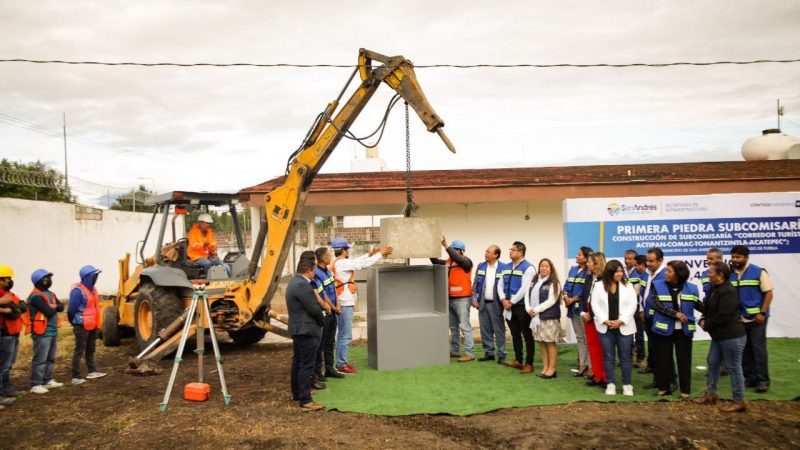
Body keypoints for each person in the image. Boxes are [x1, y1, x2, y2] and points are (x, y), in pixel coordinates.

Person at [331, 237, 392, 374]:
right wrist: (380, 253)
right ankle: (341, 364)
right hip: (345, 303)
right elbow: (362, 265)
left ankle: (341, 362)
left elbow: (356, 262)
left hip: (342, 302)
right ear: (344, 251)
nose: (348, 251)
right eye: (347, 249)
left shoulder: (337, 262)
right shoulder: (342, 263)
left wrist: (370, 255)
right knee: (345, 336)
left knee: (342, 335)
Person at [695, 261, 748, 412]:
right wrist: (703, 319)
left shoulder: (728, 291)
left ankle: (739, 400)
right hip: (719, 336)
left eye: (710, 272)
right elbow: (708, 308)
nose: (708, 274)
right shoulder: (715, 288)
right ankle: (711, 394)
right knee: (712, 362)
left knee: (733, 367)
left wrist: (708, 324)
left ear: (720, 275)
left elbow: (724, 315)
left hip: (732, 336)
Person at [650, 260, 698, 399]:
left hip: (684, 331)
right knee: (663, 360)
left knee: (684, 361)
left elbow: (698, 305)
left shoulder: (692, 288)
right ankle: (664, 388)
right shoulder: (657, 285)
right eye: (666, 270)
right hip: (663, 329)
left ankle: (685, 391)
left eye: (669, 271)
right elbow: (656, 304)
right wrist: (675, 314)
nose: (666, 273)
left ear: (678, 274)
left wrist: (707, 316)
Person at [729, 245, 773, 393]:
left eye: (738, 257)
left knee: (758, 349)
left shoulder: (758, 272)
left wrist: (762, 313)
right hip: (739, 319)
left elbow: (768, 294)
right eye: (733, 256)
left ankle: (763, 381)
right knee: (744, 349)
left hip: (757, 319)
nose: (735, 260)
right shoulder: (731, 274)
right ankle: (750, 378)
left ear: (746, 258)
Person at [592, 260, 638, 396]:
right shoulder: (599, 286)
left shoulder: (628, 285)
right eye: (617, 271)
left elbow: (633, 304)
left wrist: (621, 321)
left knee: (625, 358)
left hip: (624, 327)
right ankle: (610, 384)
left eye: (621, 271)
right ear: (610, 272)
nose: (620, 274)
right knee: (608, 357)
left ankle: (627, 385)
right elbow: (595, 305)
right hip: (605, 327)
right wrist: (605, 320)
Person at [287, 258, 326, 410]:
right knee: (306, 365)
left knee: (298, 362)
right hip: (306, 330)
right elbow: (314, 308)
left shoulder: (293, 282)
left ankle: (297, 393)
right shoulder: (303, 285)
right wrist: (322, 321)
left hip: (298, 329)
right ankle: (305, 399)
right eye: (314, 271)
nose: (314, 274)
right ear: (309, 271)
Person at [432, 237, 475, 362]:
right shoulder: (448, 262)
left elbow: (458, 259)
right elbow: (435, 261)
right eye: (453, 250)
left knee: (465, 326)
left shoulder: (466, 262)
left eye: (456, 250)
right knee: (454, 327)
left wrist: (446, 246)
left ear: (461, 251)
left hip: (463, 299)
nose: (453, 252)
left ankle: (470, 353)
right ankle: (455, 350)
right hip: (450, 299)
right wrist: (432, 247)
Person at [497, 241, 536, 373]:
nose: (510, 252)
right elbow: (500, 285)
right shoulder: (506, 267)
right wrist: (503, 299)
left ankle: (529, 363)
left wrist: (512, 302)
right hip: (508, 306)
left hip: (521, 307)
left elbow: (524, 289)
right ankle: (518, 361)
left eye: (512, 250)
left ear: (520, 252)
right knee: (515, 334)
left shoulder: (528, 268)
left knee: (527, 334)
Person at [67, 265, 107, 385]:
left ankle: (92, 371)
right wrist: (74, 322)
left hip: (92, 325)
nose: (96, 278)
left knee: (90, 349)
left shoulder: (93, 289)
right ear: (87, 277)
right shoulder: (77, 291)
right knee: (79, 350)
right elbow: (71, 310)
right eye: (94, 276)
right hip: (81, 326)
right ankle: (75, 376)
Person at [27, 269, 65, 394]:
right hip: (41, 332)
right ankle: (36, 383)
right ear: (39, 281)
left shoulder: (50, 294)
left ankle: (47, 380)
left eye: (49, 278)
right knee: (40, 358)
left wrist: (54, 306)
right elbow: (49, 311)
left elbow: (61, 307)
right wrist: (54, 307)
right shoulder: (36, 296)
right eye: (46, 278)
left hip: (51, 331)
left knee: (50, 358)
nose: (49, 280)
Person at [525, 258, 562, 378]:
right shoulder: (535, 281)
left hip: (549, 318)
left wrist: (536, 310)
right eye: (542, 266)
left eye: (546, 266)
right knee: (541, 342)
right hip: (536, 318)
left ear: (551, 269)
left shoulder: (554, 282)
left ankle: (552, 369)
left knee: (550, 343)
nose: (544, 268)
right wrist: (528, 309)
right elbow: (527, 295)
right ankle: (545, 367)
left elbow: (551, 301)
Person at [471, 245, 507, 364]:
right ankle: (489, 353)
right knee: (485, 330)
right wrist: (474, 299)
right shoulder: (481, 266)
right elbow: (475, 285)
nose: (485, 253)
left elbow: (505, 287)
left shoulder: (504, 268)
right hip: (482, 304)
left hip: (497, 305)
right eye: (486, 251)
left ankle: (501, 354)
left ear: (496, 255)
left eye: (488, 252)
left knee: (499, 330)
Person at [312, 247, 344, 380]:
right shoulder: (317, 273)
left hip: (333, 312)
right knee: (321, 343)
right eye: (328, 254)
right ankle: (317, 372)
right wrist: (332, 306)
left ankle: (330, 368)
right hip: (326, 313)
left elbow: (333, 288)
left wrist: (338, 303)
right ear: (323, 258)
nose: (330, 256)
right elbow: (322, 294)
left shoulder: (328, 271)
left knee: (330, 342)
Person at [562, 247, 593, 378]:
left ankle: (591, 366)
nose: (576, 256)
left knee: (587, 338)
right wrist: (565, 297)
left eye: (579, 254)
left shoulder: (588, 273)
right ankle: (582, 365)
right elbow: (566, 285)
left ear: (586, 258)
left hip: (582, 308)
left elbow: (585, 290)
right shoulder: (573, 270)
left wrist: (573, 299)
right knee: (580, 338)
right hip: (572, 308)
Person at [0, 266, 25, 407]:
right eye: (8, 278)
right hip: (6, 333)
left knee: (8, 364)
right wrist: (13, 309)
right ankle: (2, 392)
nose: (10, 281)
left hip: (14, 332)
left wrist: (14, 309)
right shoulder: (2, 295)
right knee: (3, 365)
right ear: (1, 280)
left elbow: (21, 307)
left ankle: (7, 389)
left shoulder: (9, 294)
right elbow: (14, 312)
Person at [582, 252, 607, 387]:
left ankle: (605, 377)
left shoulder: (606, 280)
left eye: (590, 262)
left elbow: (603, 302)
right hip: (587, 315)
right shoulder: (588, 278)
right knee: (592, 347)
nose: (587, 264)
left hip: (600, 317)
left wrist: (591, 314)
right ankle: (597, 376)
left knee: (602, 348)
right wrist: (583, 312)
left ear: (596, 263)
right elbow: (583, 296)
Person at [624, 250, 646, 368]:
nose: (627, 261)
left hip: (637, 306)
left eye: (630, 259)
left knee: (639, 333)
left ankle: (641, 357)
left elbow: (642, 291)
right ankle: (627, 357)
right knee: (626, 332)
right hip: (624, 308)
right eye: (626, 258)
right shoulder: (621, 271)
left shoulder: (640, 273)